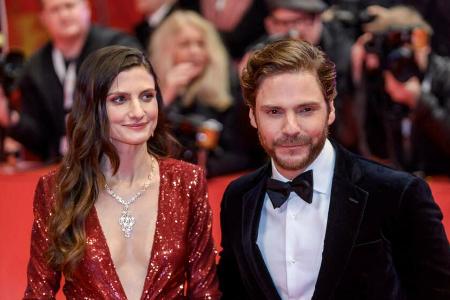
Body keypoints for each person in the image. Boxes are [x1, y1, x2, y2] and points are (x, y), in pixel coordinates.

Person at [217, 39, 449, 299]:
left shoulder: (397, 194)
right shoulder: (238, 198)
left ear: (330, 110)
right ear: (252, 116)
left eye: (306, 110)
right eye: (273, 112)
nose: (290, 128)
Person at [24, 46, 220, 299]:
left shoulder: (187, 181)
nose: (138, 112)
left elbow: (205, 290)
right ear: (92, 108)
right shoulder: (57, 190)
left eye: (147, 96)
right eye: (120, 99)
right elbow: (39, 293)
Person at [0, 0, 141, 162]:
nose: (64, 15)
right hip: (63, 168)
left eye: (70, 5)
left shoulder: (118, 49)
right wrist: (11, 118)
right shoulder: (35, 67)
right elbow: (42, 142)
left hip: (117, 160)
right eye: (55, 10)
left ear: (86, 8)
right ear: (43, 18)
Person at [149, 10, 261, 177]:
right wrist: (166, 95)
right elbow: (144, 143)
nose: (195, 51)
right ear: (165, 51)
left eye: (201, 44)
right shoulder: (148, 87)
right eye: (185, 44)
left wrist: (199, 169)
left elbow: (243, 155)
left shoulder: (229, 88)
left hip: (215, 180)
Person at [352, 5, 450, 175]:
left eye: (407, 43)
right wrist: (360, 76)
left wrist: (420, 101)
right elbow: (372, 149)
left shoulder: (445, 75)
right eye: (392, 45)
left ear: (424, 42)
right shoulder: (381, 80)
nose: (401, 53)